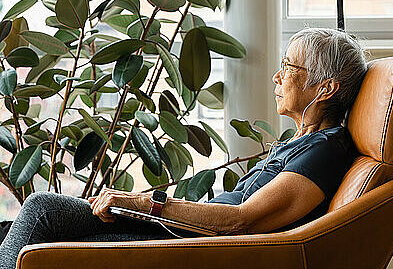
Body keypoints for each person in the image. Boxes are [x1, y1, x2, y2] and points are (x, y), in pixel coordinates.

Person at [0, 28, 368, 268]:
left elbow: (242, 220)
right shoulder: (302, 142)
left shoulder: (326, 151)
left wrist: (145, 204)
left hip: (191, 248)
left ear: (325, 89)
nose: (277, 75)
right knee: (10, 228)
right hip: (180, 231)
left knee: (43, 210)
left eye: (289, 67)